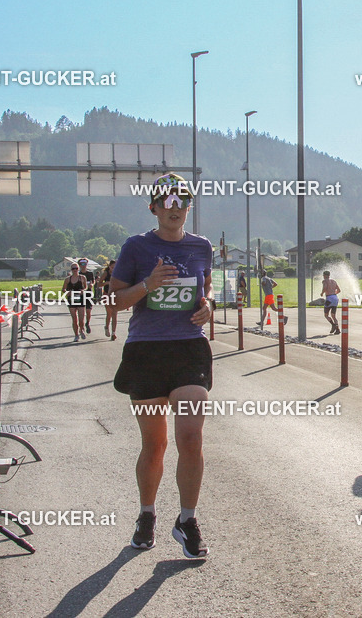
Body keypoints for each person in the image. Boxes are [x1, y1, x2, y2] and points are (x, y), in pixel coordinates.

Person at [109, 173, 213, 559]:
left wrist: (208, 306)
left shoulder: (202, 247)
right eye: (167, 201)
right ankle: (147, 514)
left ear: (189, 206)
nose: (175, 207)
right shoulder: (136, 246)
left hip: (189, 349)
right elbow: (116, 301)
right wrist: (148, 285)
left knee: (191, 438)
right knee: (155, 444)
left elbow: (207, 289)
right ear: (153, 207)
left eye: (182, 200)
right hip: (147, 352)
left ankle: (187, 520)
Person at [62, 263, 88, 343]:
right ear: (71, 269)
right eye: (73, 269)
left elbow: (86, 287)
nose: (75, 270)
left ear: (78, 269)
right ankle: (76, 335)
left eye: (76, 268)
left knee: (81, 318)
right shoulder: (67, 279)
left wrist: (83, 291)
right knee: (74, 319)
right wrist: (67, 292)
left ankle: (82, 329)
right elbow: (63, 289)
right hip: (72, 299)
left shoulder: (82, 278)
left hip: (80, 299)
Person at [101, 259, 119, 340]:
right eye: (112, 267)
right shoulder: (106, 273)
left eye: (115, 267)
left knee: (114, 313)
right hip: (106, 293)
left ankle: (113, 333)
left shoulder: (119, 273)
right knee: (109, 313)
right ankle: (106, 327)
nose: (113, 269)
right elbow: (99, 284)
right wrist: (107, 283)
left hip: (115, 294)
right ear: (109, 267)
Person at [78, 258, 95, 335]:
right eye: (82, 264)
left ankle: (87, 323)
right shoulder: (78, 274)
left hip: (88, 293)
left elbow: (93, 281)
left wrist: (92, 284)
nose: (84, 265)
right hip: (80, 295)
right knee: (81, 312)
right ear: (79, 265)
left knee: (88, 311)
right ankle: (81, 327)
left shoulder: (90, 273)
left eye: (85, 264)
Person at [321, 270, 342, 335]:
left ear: (325, 275)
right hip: (335, 298)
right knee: (333, 316)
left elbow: (325, 287)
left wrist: (322, 293)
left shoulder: (325, 281)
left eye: (323, 275)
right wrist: (334, 293)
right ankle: (337, 329)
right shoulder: (334, 281)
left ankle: (333, 325)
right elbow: (339, 290)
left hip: (329, 298)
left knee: (326, 315)